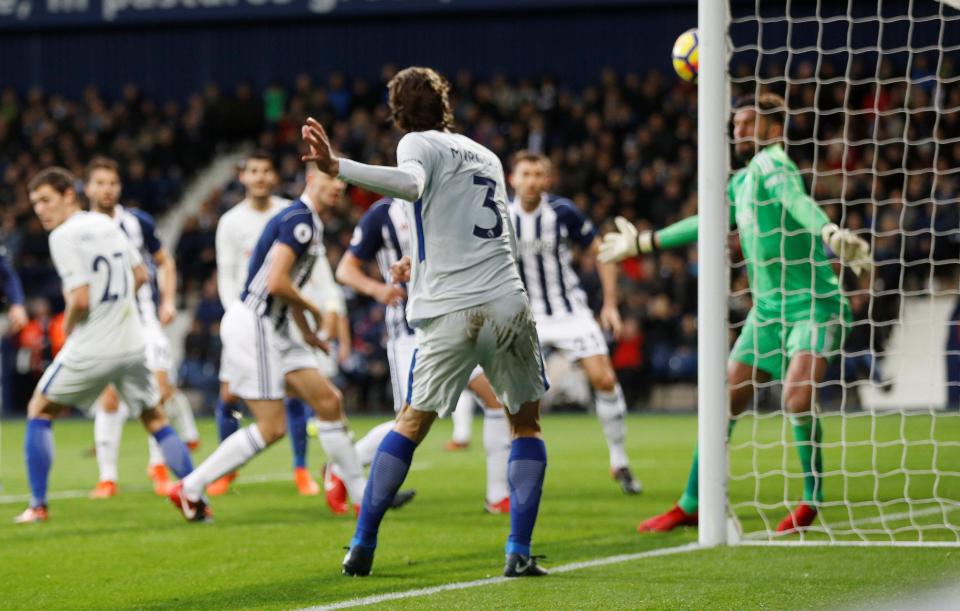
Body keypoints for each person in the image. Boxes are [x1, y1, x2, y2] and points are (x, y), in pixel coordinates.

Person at [303, 65, 549, 577]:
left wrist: (337, 166)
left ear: (397, 115)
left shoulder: (415, 144)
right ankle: (518, 552)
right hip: (505, 300)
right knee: (525, 425)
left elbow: (411, 186)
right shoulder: (487, 155)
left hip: (451, 309)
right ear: (445, 104)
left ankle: (362, 544)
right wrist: (419, 259)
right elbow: (484, 231)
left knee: (411, 423)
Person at [600, 93, 872, 533]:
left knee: (797, 397)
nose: (738, 130)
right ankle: (691, 502)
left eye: (748, 123)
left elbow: (796, 202)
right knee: (721, 406)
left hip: (814, 306)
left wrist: (828, 230)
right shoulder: (743, 181)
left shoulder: (776, 165)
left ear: (774, 129)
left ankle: (811, 498)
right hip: (767, 311)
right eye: (736, 123)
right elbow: (708, 220)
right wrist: (644, 242)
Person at [168, 162, 367, 522]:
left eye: (341, 179)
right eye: (329, 177)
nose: (337, 186)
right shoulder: (302, 222)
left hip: (275, 327)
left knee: (329, 401)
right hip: (255, 324)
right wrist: (315, 310)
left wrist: (306, 331)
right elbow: (277, 284)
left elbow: (282, 287)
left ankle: (362, 497)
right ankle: (191, 487)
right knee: (272, 427)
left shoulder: (303, 220)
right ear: (311, 179)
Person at [15, 167, 195, 524]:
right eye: (35, 204)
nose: (40, 210)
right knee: (154, 417)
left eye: (46, 200)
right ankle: (196, 497)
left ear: (69, 195)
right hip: (131, 343)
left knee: (39, 409)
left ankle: (38, 505)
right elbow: (142, 274)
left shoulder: (63, 236)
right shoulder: (108, 225)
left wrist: (64, 329)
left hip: (93, 344)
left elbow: (79, 300)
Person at [336, 196, 513, 513]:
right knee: (408, 422)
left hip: (453, 325)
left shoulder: (447, 202)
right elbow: (345, 270)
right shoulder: (382, 214)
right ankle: (340, 469)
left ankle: (498, 496)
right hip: (409, 333)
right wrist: (378, 289)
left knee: (496, 397)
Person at [507, 151, 641, 495]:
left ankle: (619, 460)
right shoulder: (501, 215)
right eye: (526, 174)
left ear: (547, 181)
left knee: (605, 378)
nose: (532, 181)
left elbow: (602, 253)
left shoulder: (562, 212)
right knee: (518, 397)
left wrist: (609, 303)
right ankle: (513, 474)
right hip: (525, 317)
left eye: (538, 174)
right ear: (513, 179)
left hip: (569, 312)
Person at [83, 156, 200, 499]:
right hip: (104, 323)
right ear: (88, 188)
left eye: (112, 183)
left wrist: (167, 300)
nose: (107, 189)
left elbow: (165, 262)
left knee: (160, 390)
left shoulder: (138, 222)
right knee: (109, 397)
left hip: (144, 320)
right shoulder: (79, 227)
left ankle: (158, 469)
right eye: (100, 183)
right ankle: (107, 478)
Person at [210, 151, 319, 497]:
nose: (258, 177)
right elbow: (226, 273)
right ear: (242, 177)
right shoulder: (230, 221)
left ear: (274, 176)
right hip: (246, 316)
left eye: (265, 171)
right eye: (252, 171)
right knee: (228, 394)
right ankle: (227, 470)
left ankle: (301, 468)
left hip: (281, 316)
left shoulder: (288, 212)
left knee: (294, 389)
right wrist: (234, 314)